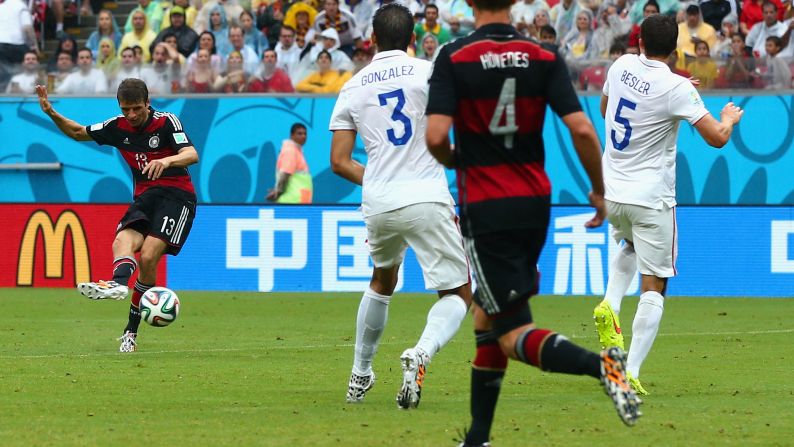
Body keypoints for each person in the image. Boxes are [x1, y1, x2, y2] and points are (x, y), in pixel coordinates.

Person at [424, 0, 643, 444]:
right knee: (487, 317)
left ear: (469, 4)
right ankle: (478, 437)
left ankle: (601, 365)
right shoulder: (543, 55)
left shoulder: (455, 57)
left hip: (487, 206)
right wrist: (598, 191)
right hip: (534, 203)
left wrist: (458, 160)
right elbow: (582, 129)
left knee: (510, 332)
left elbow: (434, 137)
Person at [329, 3, 472, 410]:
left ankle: (360, 373)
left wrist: (376, 179)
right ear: (413, 37)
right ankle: (421, 353)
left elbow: (338, 161)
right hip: (426, 194)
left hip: (378, 201)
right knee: (458, 292)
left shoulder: (353, 85)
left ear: (371, 38)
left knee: (382, 279)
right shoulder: (430, 73)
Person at [593, 14, 743, 397]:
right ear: (676, 50)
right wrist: (728, 118)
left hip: (612, 190)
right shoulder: (676, 86)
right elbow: (716, 139)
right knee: (656, 282)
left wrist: (674, 93)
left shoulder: (621, 64)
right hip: (650, 198)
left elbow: (605, 109)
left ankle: (610, 303)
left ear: (639, 41)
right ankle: (630, 372)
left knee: (627, 245)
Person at [35, 78, 199, 352]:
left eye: (136, 108)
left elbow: (191, 153)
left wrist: (166, 160)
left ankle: (130, 332)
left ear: (148, 103)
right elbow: (77, 132)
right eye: (126, 110)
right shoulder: (116, 127)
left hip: (177, 196)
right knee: (121, 240)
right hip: (145, 197)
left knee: (148, 256)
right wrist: (50, 112)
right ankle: (118, 283)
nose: (131, 115)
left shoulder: (167, 121)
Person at [267, 123, 312, 203]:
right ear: (292, 135)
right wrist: (278, 192)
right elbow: (285, 173)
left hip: (298, 201)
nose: (303, 136)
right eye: (299, 133)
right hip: (292, 201)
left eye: (305, 134)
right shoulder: (290, 151)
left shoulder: (297, 151)